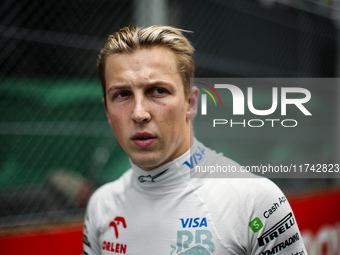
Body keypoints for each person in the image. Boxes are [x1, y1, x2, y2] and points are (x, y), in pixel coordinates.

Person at [83, 25, 307, 255]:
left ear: (190, 103)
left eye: (158, 90)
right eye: (122, 94)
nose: (139, 113)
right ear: (108, 112)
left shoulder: (256, 201)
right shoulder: (101, 205)